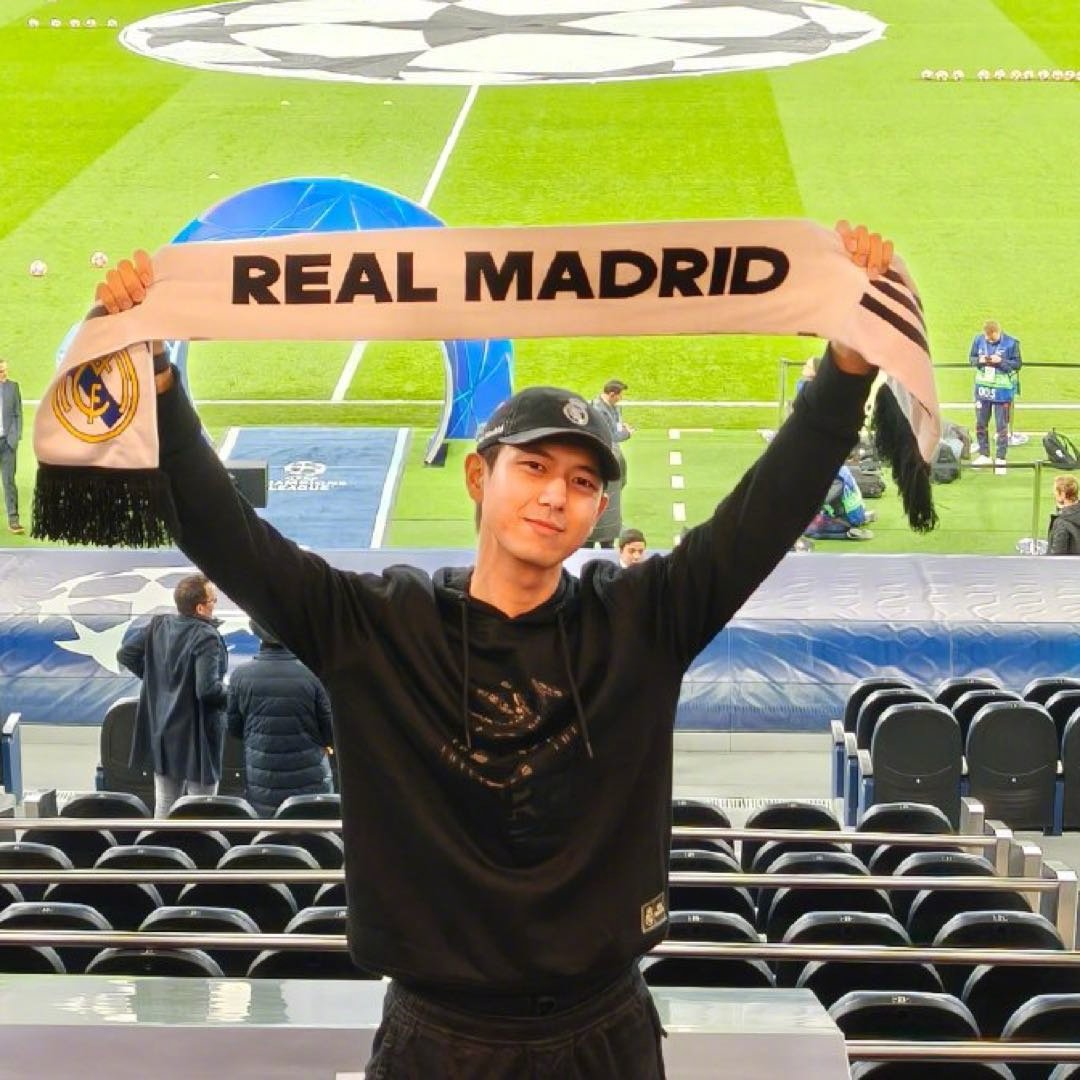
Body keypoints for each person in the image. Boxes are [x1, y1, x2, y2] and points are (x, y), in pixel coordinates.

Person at [97, 222, 889, 1079]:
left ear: (598, 511)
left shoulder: (642, 620)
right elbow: (225, 532)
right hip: (439, 1041)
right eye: (535, 467)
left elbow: (763, 514)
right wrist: (159, 379)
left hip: (606, 1033)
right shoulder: (375, 627)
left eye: (582, 482)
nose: (556, 496)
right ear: (480, 477)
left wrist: (846, 372)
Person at [117, 572, 229, 817]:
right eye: (213, 600)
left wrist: (156, 681)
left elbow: (125, 654)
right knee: (201, 809)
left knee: (165, 805)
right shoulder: (206, 637)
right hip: (198, 735)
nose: (215, 604)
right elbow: (207, 690)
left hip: (164, 731)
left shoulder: (158, 625)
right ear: (200, 608)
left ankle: (161, 843)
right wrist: (235, 696)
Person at [227, 619, 335, 816]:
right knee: (315, 832)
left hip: (263, 782)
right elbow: (330, 730)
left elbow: (234, 728)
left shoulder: (240, 675)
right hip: (311, 783)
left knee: (268, 832)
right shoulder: (313, 673)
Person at [969, 320, 1022, 468]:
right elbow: (971, 359)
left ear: (997, 332)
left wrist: (1000, 361)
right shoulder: (978, 340)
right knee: (980, 424)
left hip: (1002, 392)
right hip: (983, 390)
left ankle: (1000, 458)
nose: (989, 340)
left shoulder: (1011, 343)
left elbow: (1017, 365)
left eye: (991, 338)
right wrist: (979, 360)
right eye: (987, 338)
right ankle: (984, 454)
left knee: (1001, 426)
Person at [587, 379, 632, 547]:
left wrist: (622, 429)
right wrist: (627, 433)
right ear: (612, 394)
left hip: (591, 528)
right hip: (606, 526)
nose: (621, 399)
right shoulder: (598, 411)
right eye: (620, 395)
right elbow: (611, 436)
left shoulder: (613, 408)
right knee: (603, 547)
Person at [803, 464, 875, 541]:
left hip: (845, 519)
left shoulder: (837, 479)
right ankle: (864, 517)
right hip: (855, 511)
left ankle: (848, 534)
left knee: (808, 530)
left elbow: (823, 500)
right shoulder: (842, 469)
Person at [0, 359, 24, 534]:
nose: (3, 374)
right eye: (0, 371)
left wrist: (14, 439)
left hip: (7, 444)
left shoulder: (13, 387)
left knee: (9, 482)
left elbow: (18, 414)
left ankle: (13, 521)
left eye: (4, 371)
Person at [1048, 475, 1080, 555]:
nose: (1054, 494)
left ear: (1063, 494)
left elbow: (1057, 557)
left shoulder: (1061, 523)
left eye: (1055, 491)